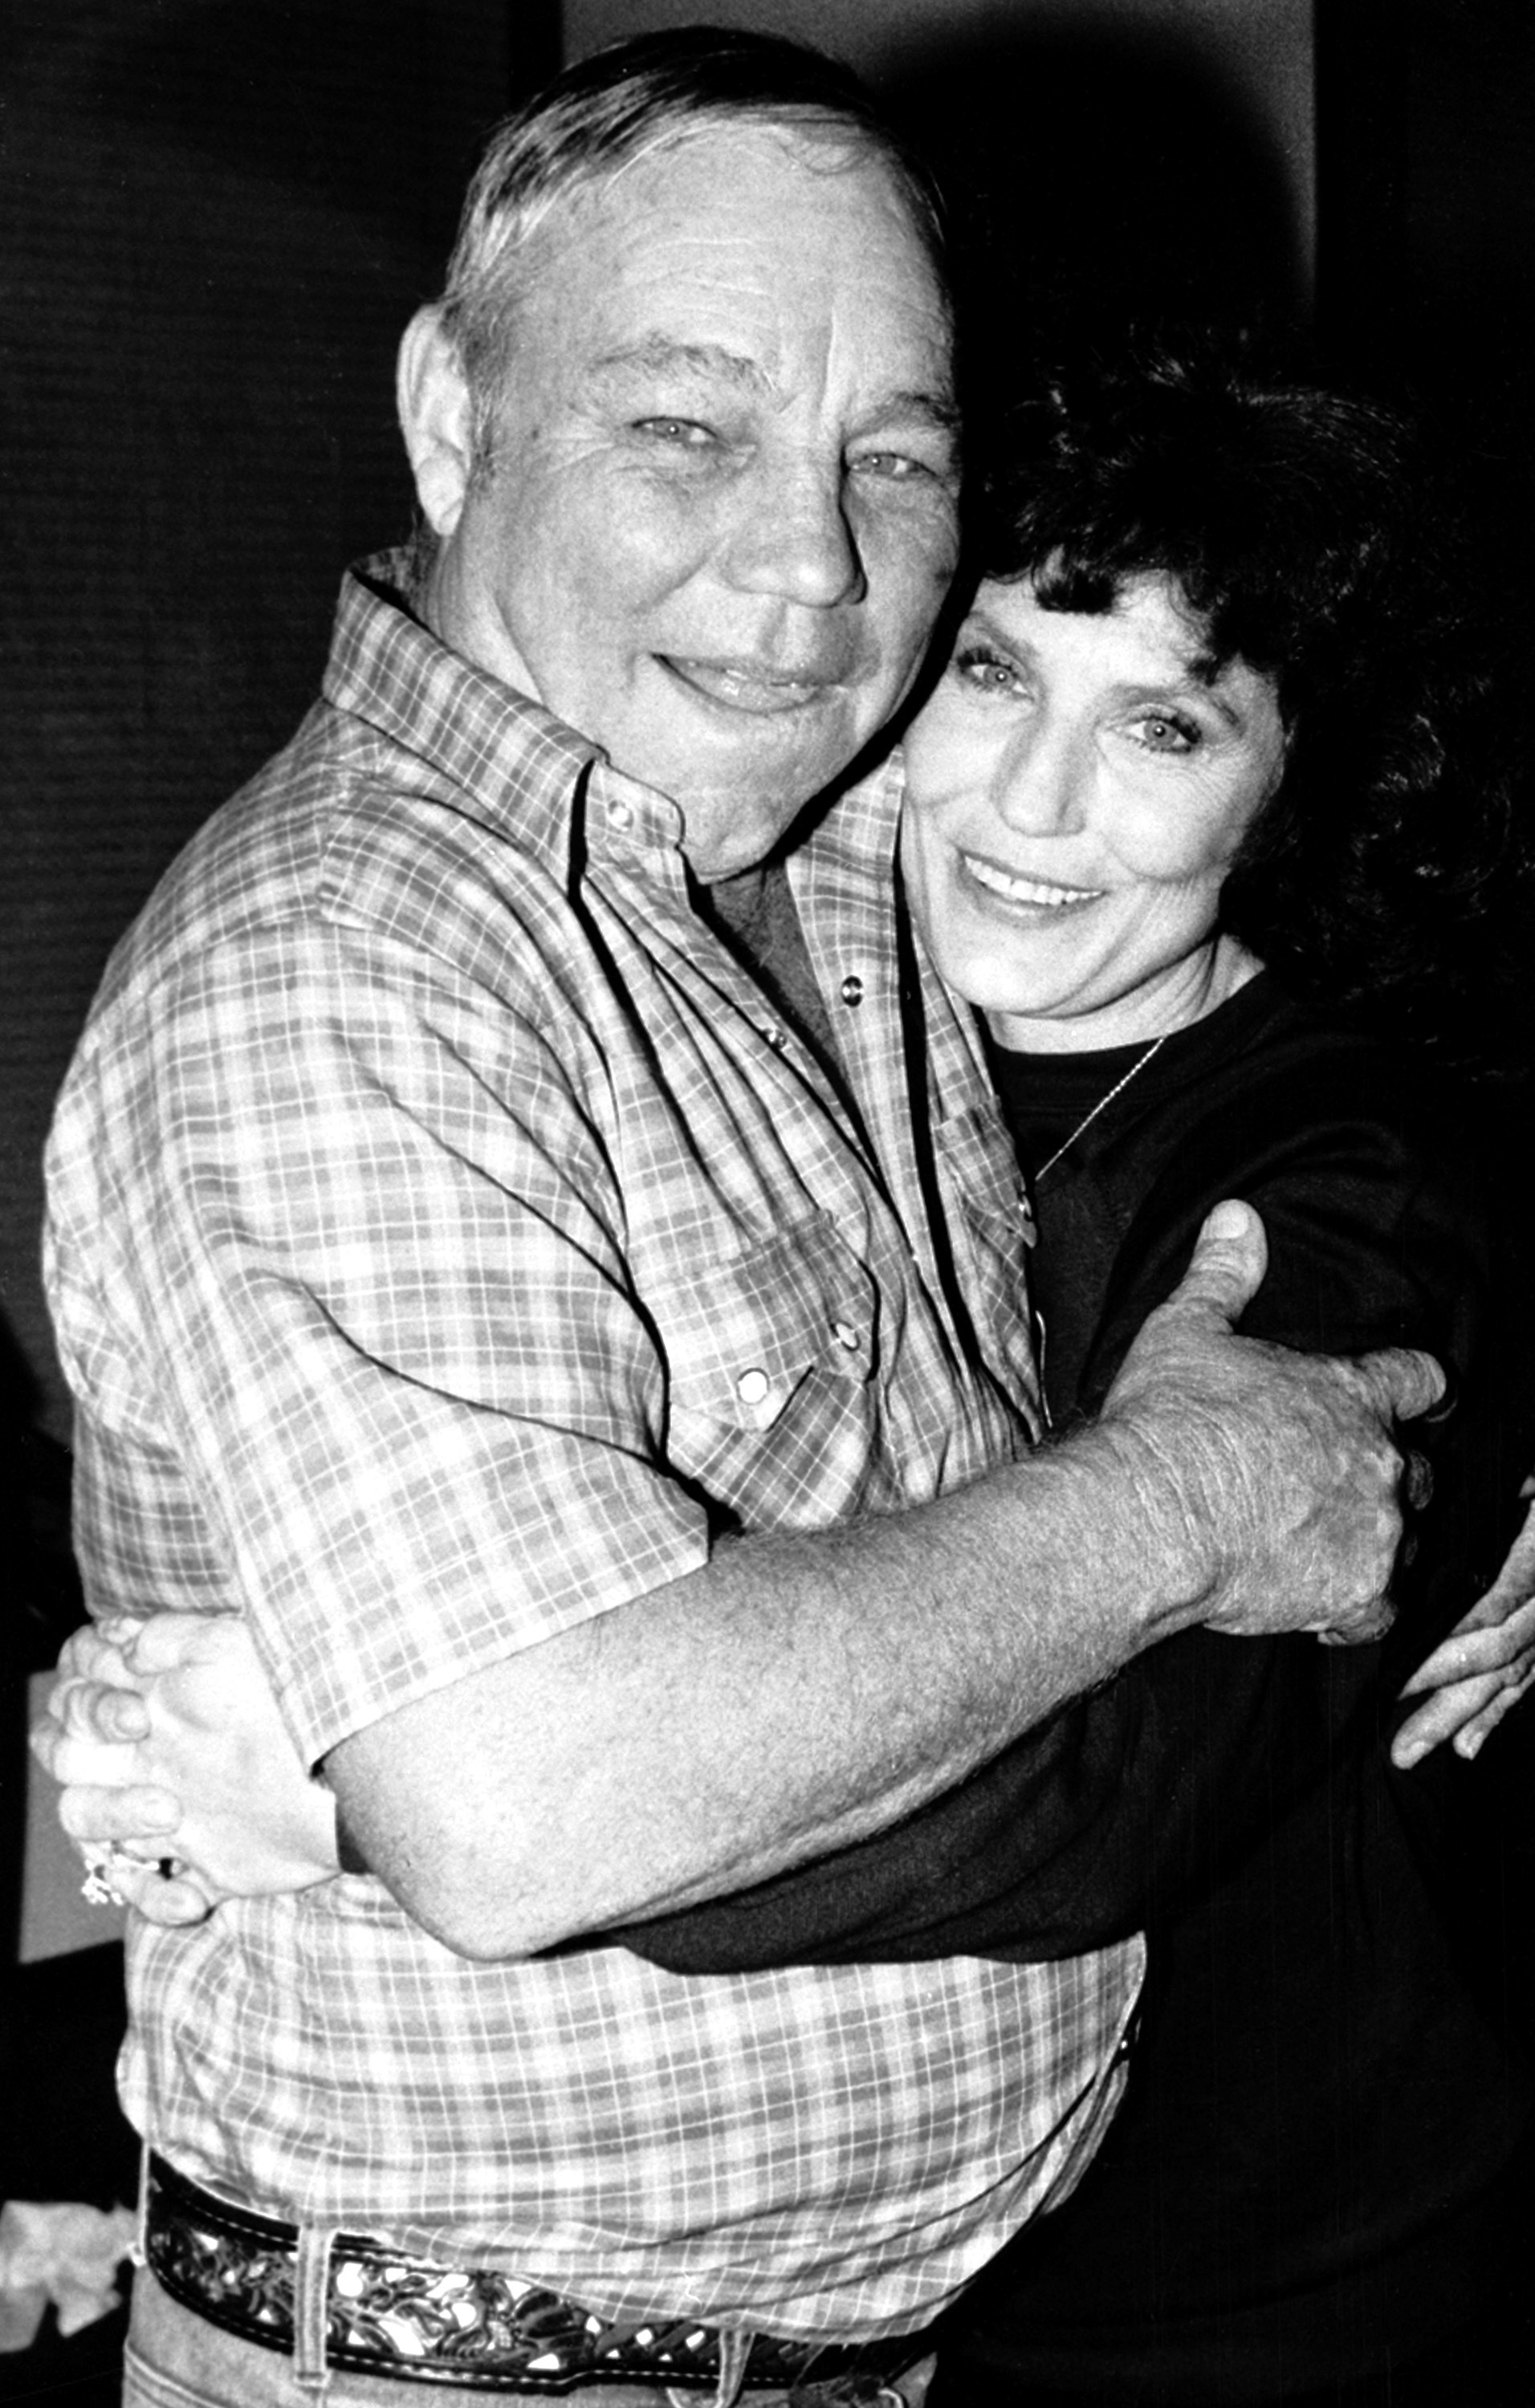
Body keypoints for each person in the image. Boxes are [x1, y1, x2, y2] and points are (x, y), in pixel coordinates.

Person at [30, 29, 1453, 2408]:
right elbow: (524, 1800)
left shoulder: (823, 830)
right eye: (684, 429)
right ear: (454, 418)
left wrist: (1479, 1460)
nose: (810, 578)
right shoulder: (351, 969)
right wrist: (1196, 1498)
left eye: (891, 458)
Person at [890, 344, 1533, 2405]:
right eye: (992, 674)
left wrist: (419, 1791)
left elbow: (1089, 1791)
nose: (1030, 803)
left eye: (1159, 722)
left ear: (1292, 785)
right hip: (889, 2274)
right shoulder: (815, 1037)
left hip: (1248, 2297)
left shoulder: (1332, 1185)